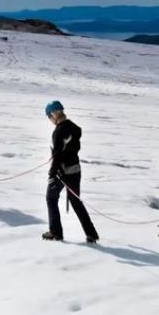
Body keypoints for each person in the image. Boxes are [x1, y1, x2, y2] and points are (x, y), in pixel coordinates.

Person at [42, 100, 99, 243]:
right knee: (75, 201)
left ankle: (55, 232)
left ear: (53, 115)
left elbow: (57, 155)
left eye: (49, 116)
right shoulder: (74, 127)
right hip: (75, 170)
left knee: (51, 198)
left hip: (62, 173)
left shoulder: (58, 131)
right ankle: (91, 233)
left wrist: (52, 173)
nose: (49, 119)